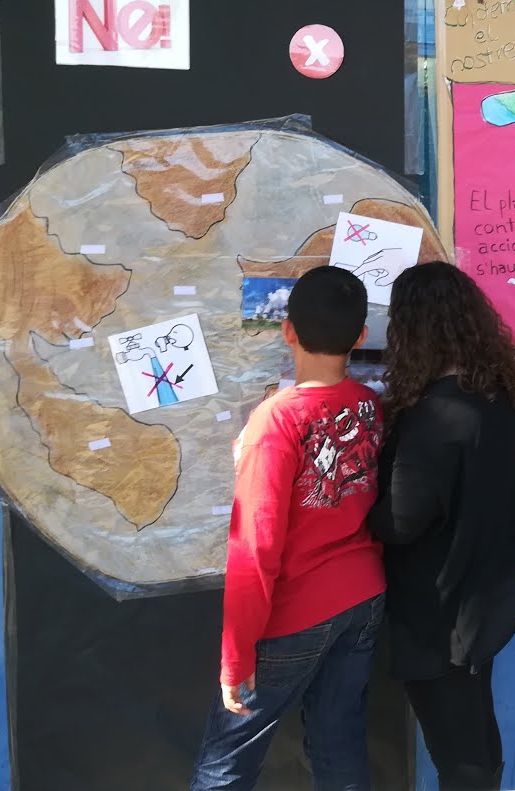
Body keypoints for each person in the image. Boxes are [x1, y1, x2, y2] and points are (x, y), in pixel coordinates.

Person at [191, 265, 386, 791]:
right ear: (361, 337)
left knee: (225, 764)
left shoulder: (275, 420)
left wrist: (236, 657)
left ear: (288, 331)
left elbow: (256, 547)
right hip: (363, 598)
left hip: (297, 609)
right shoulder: (368, 405)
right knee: (338, 745)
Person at [369, 262, 515, 791]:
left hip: (440, 612)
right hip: (484, 595)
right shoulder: (497, 397)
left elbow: (399, 521)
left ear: (412, 331)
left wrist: (342, 495)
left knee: (458, 750)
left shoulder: (435, 418)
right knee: (477, 736)